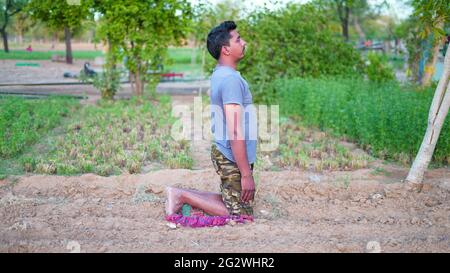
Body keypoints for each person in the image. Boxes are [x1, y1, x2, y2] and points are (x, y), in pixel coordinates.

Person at [165, 21, 257, 220]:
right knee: (240, 215)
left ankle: (182, 195)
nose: (244, 42)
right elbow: (234, 130)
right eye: (238, 39)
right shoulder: (230, 79)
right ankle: (181, 195)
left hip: (230, 152)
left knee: (235, 201)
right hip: (231, 154)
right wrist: (246, 175)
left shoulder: (221, 74)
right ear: (226, 49)